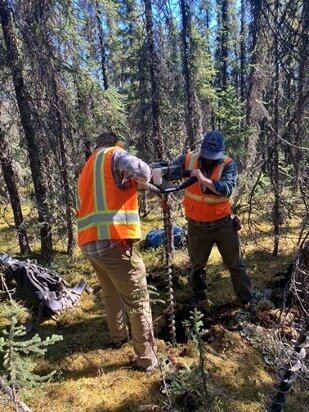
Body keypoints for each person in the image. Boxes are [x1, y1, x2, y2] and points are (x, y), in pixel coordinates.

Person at [76, 131, 158, 371]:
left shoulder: (87, 168)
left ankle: (118, 338)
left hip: (90, 243)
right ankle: (147, 360)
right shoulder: (114, 155)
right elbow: (142, 171)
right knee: (138, 300)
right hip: (113, 241)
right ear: (115, 144)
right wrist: (150, 175)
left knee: (110, 292)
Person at [171, 130, 254, 308]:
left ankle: (247, 299)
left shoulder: (228, 164)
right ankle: (198, 300)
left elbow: (226, 188)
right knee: (197, 265)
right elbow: (169, 172)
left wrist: (202, 180)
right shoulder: (188, 159)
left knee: (236, 265)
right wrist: (163, 184)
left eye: (213, 156)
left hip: (223, 224)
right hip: (196, 225)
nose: (209, 160)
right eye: (206, 155)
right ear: (201, 149)